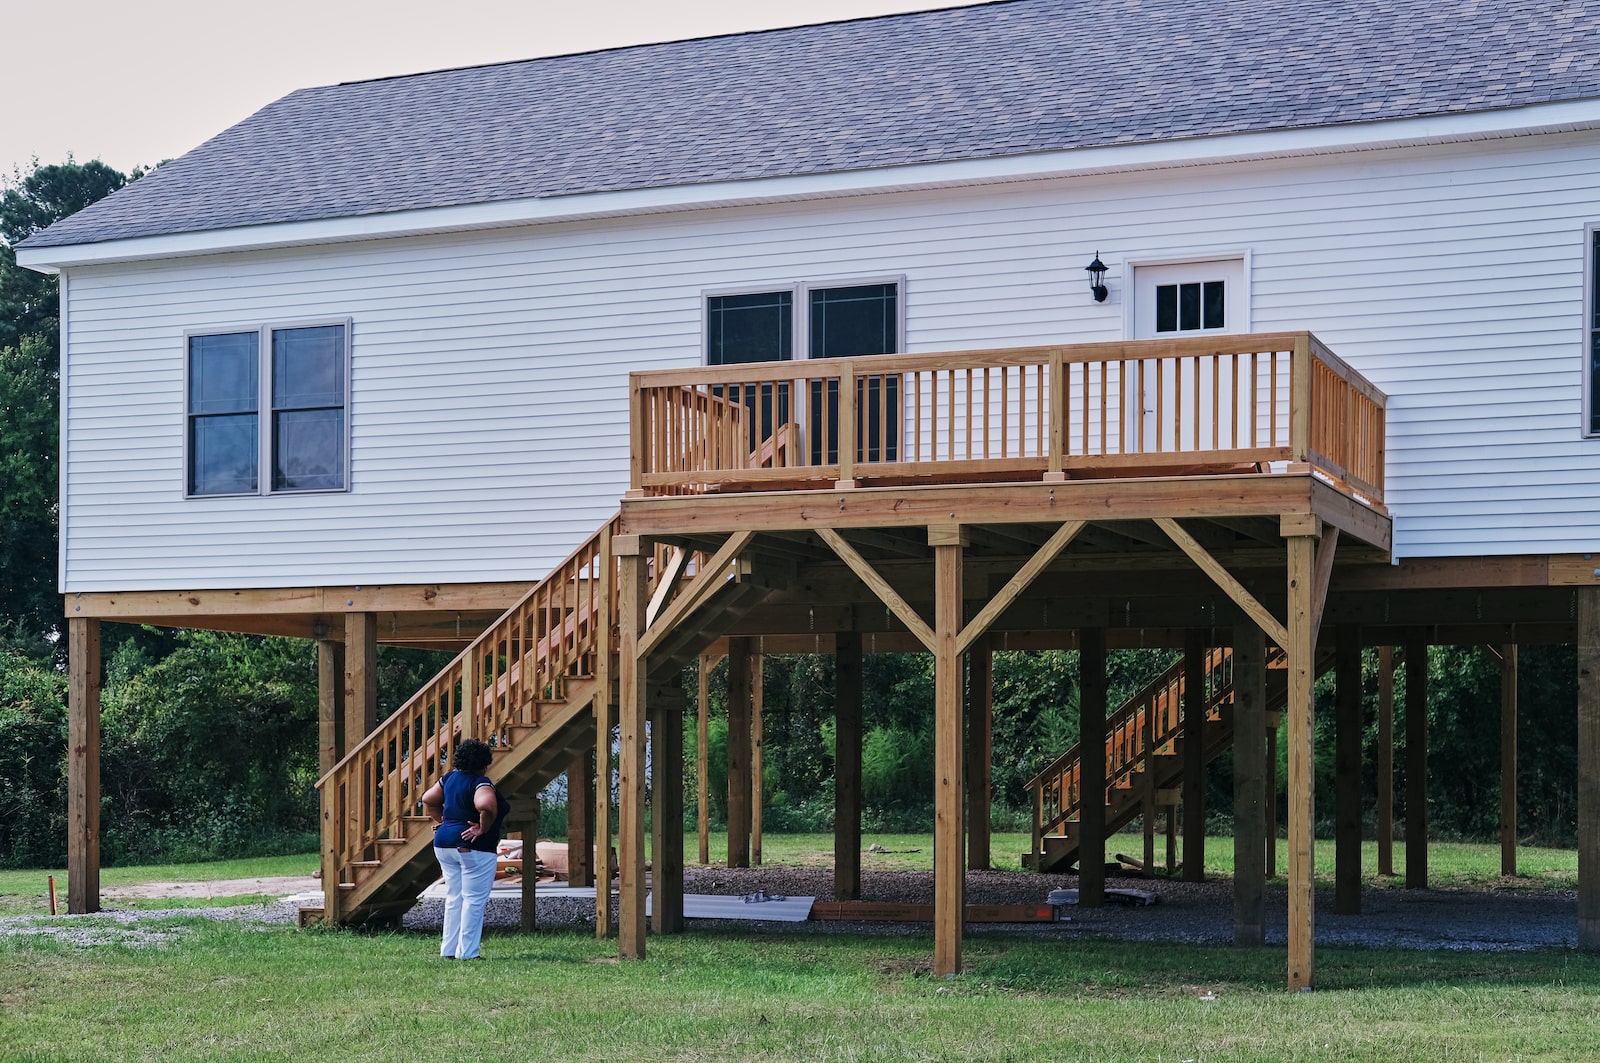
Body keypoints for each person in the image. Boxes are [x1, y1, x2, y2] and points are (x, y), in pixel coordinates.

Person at [419, 739, 508, 959]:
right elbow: (486, 805)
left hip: (443, 845)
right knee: (474, 900)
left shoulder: (449, 778)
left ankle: (448, 950)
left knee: (454, 898)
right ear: (484, 762)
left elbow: (427, 799)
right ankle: (468, 953)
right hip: (472, 848)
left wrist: (445, 820)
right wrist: (481, 828)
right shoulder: (481, 782)